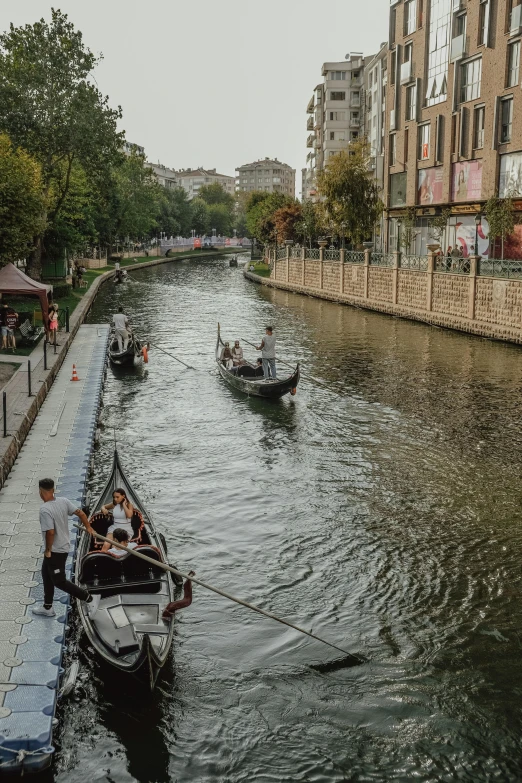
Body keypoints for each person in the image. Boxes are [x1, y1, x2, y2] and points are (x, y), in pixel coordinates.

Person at [32, 478, 100, 618]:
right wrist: (88, 527)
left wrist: (48, 549)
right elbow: (80, 513)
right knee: (46, 574)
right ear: (53, 490)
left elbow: (50, 532)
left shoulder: (44, 509)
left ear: (40, 492)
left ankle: (89, 598)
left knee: (59, 581)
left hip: (56, 551)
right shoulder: (63, 501)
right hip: (62, 546)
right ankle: (48, 607)